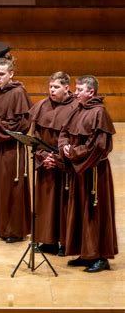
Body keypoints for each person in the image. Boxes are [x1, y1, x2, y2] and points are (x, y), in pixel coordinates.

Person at [58, 75, 118, 273]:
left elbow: (98, 146)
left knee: (95, 212)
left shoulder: (99, 113)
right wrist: (65, 147)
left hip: (94, 172)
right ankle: (85, 252)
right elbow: (64, 132)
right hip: (79, 168)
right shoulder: (78, 109)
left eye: (80, 89)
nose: (76, 92)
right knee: (80, 210)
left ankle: (100, 256)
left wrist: (72, 153)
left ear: (91, 92)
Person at [0, 54, 32, 243]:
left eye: (2, 74)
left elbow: (21, 124)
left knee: (10, 187)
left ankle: (12, 230)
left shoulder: (18, 93)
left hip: (11, 148)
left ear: (11, 74)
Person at [28, 71, 77, 256]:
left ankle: (65, 242)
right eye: (50, 86)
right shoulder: (41, 106)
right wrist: (43, 156)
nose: (52, 90)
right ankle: (48, 241)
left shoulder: (76, 107)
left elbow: (75, 139)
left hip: (65, 165)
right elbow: (37, 137)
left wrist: (58, 159)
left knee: (64, 204)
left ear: (66, 87)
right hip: (45, 163)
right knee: (46, 204)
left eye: (56, 87)